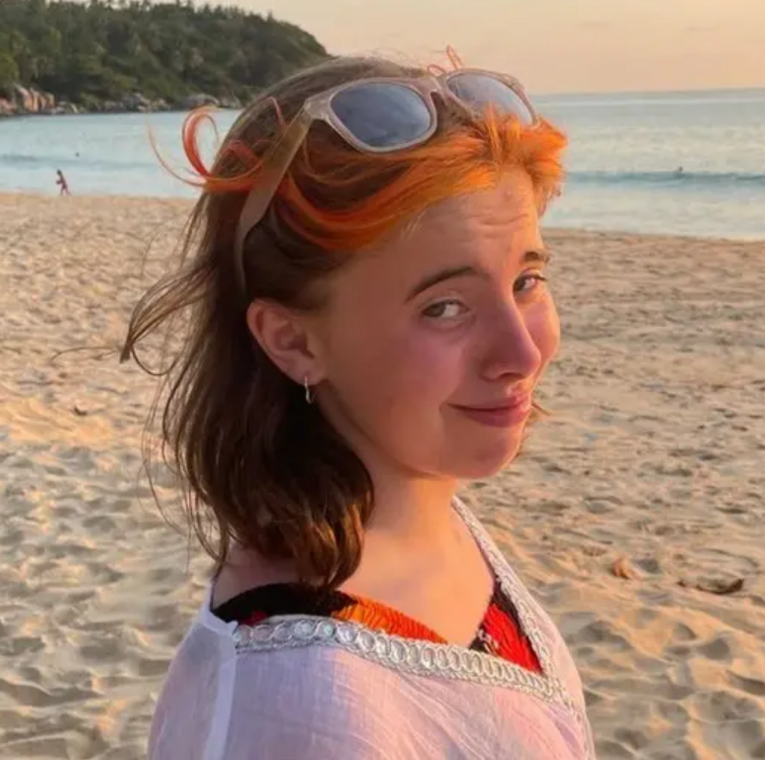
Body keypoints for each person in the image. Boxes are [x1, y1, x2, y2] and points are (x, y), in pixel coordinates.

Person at [126, 55, 593, 759]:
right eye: (444, 307)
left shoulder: (428, 516)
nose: (522, 353)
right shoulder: (299, 699)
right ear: (292, 340)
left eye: (527, 279)